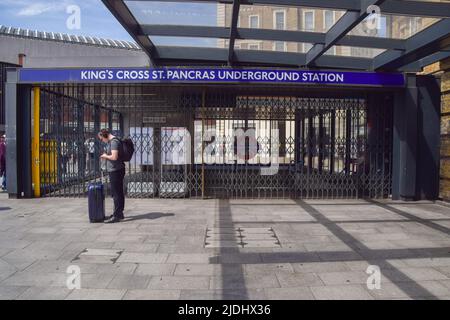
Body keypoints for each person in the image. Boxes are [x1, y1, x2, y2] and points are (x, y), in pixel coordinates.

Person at [98, 128, 125, 223]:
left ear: (104, 136)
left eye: (101, 139)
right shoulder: (112, 141)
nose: (102, 141)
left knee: (116, 193)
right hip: (116, 169)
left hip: (116, 170)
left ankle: (117, 215)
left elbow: (114, 157)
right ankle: (119, 213)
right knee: (118, 192)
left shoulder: (113, 142)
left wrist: (105, 156)